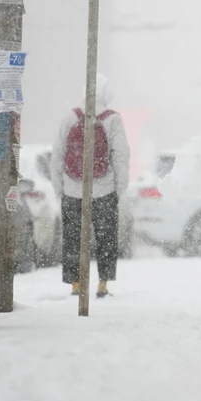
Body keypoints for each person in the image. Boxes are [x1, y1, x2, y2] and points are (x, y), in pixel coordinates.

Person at [51, 74, 130, 298]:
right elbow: (120, 156)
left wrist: (60, 187)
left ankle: (76, 284)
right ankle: (102, 283)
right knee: (106, 238)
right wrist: (119, 188)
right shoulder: (112, 119)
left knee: (73, 238)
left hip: (72, 190)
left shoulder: (71, 116)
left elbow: (57, 155)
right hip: (104, 190)